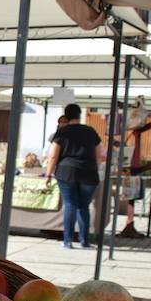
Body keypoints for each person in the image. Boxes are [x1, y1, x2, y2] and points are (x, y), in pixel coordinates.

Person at [45, 103, 103, 249]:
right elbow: (99, 155)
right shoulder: (91, 131)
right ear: (79, 115)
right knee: (84, 206)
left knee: (70, 205)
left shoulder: (63, 132)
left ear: (67, 115)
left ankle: (68, 240)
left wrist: (48, 174)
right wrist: (94, 168)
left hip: (67, 171)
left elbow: (53, 155)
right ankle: (84, 240)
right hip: (89, 173)